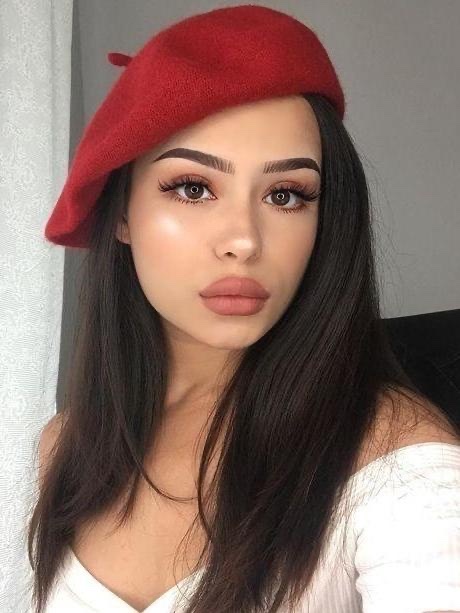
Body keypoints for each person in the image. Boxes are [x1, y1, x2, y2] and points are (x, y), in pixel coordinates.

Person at [29, 4, 460, 613]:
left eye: (285, 195)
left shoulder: (401, 466)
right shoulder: (64, 445)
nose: (244, 240)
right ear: (121, 213)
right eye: (193, 188)